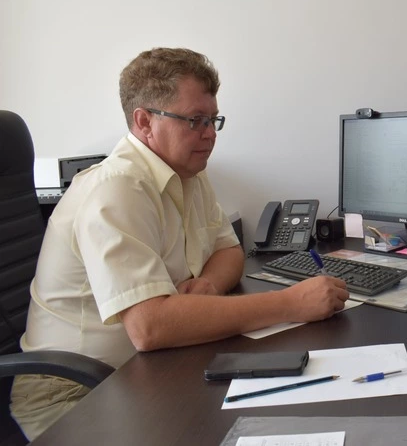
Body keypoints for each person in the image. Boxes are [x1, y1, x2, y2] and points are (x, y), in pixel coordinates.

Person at [10, 48, 349, 440]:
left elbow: (229, 250)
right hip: (74, 394)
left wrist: (208, 285)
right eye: (195, 120)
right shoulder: (117, 189)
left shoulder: (189, 173)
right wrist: (291, 303)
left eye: (213, 120)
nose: (210, 133)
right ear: (144, 122)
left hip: (149, 369)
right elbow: (150, 326)